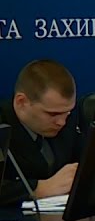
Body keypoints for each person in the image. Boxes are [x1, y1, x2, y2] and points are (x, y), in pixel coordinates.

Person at [0, 60, 83, 205]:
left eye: (67, 112)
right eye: (52, 114)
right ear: (21, 102)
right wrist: (38, 188)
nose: (62, 122)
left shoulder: (68, 118)